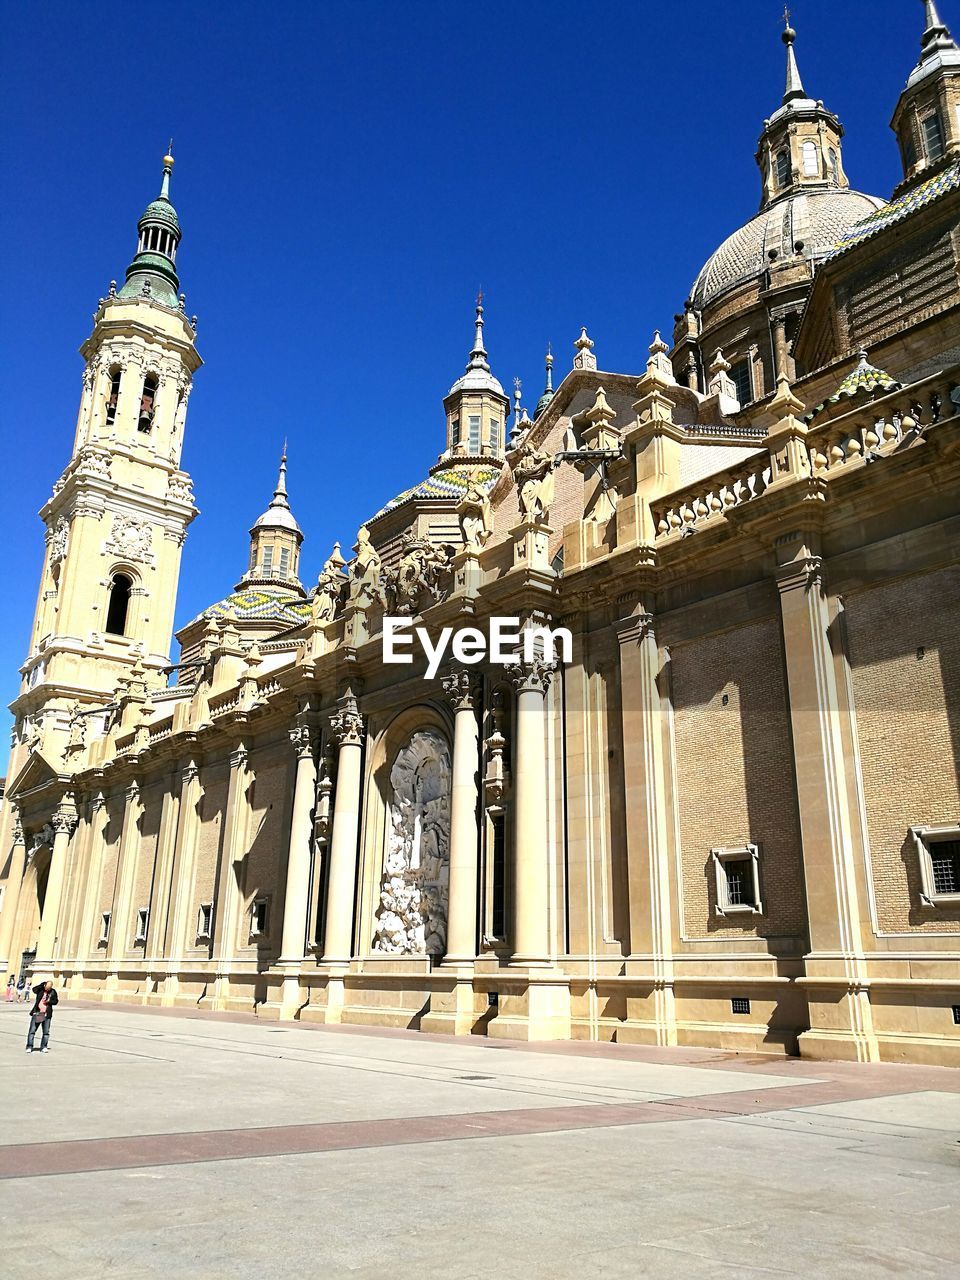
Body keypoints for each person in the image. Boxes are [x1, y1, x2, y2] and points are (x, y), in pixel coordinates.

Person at [25, 980, 58, 1053]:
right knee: (32, 1031)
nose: (47, 989)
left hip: (47, 1014)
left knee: (46, 1032)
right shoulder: (40, 990)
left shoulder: (53, 992)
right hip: (37, 1013)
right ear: (45, 985)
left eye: (49, 988)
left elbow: (55, 1001)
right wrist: (42, 984)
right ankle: (29, 1046)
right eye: (47, 987)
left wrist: (49, 1001)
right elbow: (34, 989)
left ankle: (44, 1046)